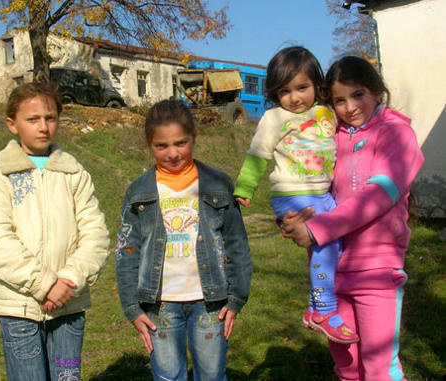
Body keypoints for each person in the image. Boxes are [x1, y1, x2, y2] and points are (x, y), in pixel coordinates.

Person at [282, 56, 424, 380]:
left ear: (376, 90)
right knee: (347, 368)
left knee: (378, 369)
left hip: (377, 271)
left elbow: (376, 197)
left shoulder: (398, 135)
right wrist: (293, 216)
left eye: (358, 94)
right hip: (332, 272)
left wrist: (317, 229)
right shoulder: (333, 137)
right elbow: (313, 189)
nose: (349, 107)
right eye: (339, 100)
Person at [0, 82, 110, 380]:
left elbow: (95, 234)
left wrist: (68, 280)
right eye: (32, 119)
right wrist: (44, 284)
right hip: (20, 307)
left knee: (66, 377)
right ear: (12, 125)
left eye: (50, 118)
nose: (43, 127)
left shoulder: (74, 173)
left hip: (68, 306)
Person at [115, 99, 252, 381]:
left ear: (194, 137)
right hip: (159, 304)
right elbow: (127, 251)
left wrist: (237, 297)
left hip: (211, 302)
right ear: (149, 144)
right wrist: (131, 307)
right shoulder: (138, 192)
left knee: (212, 375)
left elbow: (236, 243)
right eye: (161, 146)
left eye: (181, 143)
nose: (172, 153)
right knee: (167, 376)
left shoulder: (218, 183)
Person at [234, 46, 358, 343]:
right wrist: (244, 187)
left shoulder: (327, 113)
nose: (295, 98)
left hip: (322, 195)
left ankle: (314, 307)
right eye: (285, 91)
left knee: (334, 250)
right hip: (293, 195)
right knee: (325, 245)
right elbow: (258, 155)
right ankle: (325, 310)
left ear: (317, 84)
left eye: (302, 87)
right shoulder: (275, 118)